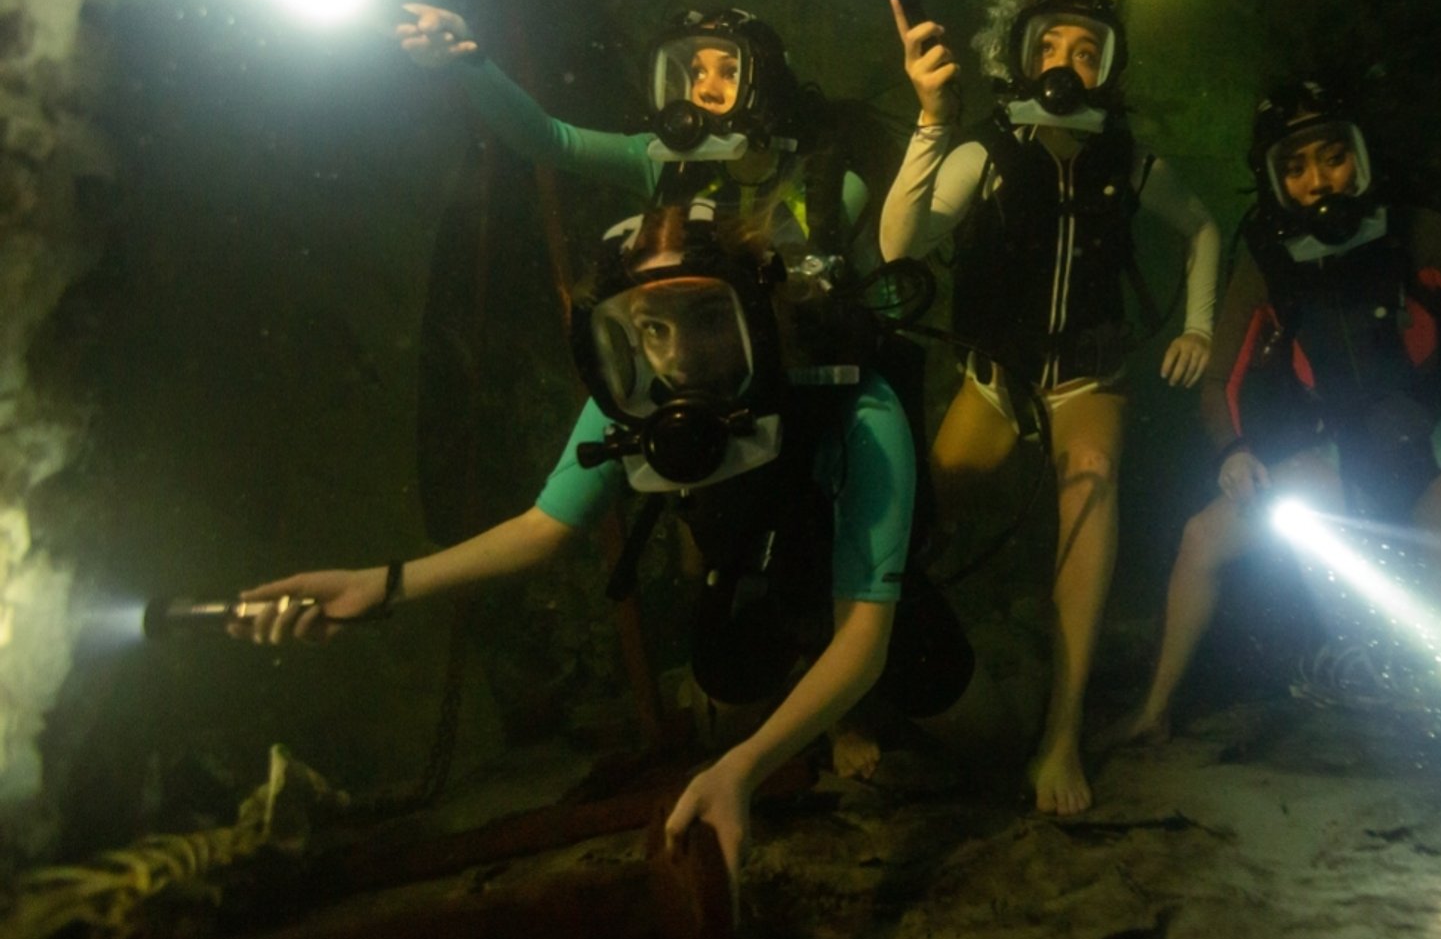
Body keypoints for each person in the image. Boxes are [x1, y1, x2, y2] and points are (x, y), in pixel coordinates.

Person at [233, 203, 978, 886]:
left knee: (964, 713)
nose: (679, 356)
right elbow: (542, 528)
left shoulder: (856, 402)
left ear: (760, 309)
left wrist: (741, 771)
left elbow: (865, 636)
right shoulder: (632, 400)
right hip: (755, 568)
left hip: (851, 580)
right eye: (653, 327)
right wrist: (383, 584)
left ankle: (867, 714)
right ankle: (816, 715)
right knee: (723, 685)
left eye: (707, 318)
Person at [1104, 79, 1441, 747]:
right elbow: (1220, 376)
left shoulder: (1420, 232)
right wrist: (1233, 449)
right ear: (1278, 180)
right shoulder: (1267, 258)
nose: (1320, 181)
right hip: (1337, 459)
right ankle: (1154, 710)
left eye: (1333, 157)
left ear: (1361, 157)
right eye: (1297, 166)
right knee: (1202, 539)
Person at [881, 0, 1222, 814]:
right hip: (996, 379)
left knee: (1093, 474)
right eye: (1052, 47)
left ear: (1107, 69)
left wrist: (1201, 327)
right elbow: (899, 243)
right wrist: (930, 119)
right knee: (919, 521)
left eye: (1085, 51)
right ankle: (873, 698)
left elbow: (1203, 227)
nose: (1066, 64)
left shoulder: (1133, 161)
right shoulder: (985, 151)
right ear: (1025, 58)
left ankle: (1062, 732)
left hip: (1086, 378)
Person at [395, 3, 870, 262]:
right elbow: (547, 139)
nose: (704, 90)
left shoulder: (828, 188)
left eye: (728, 72)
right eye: (694, 72)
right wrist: (468, 59)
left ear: (765, 86)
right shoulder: (661, 163)